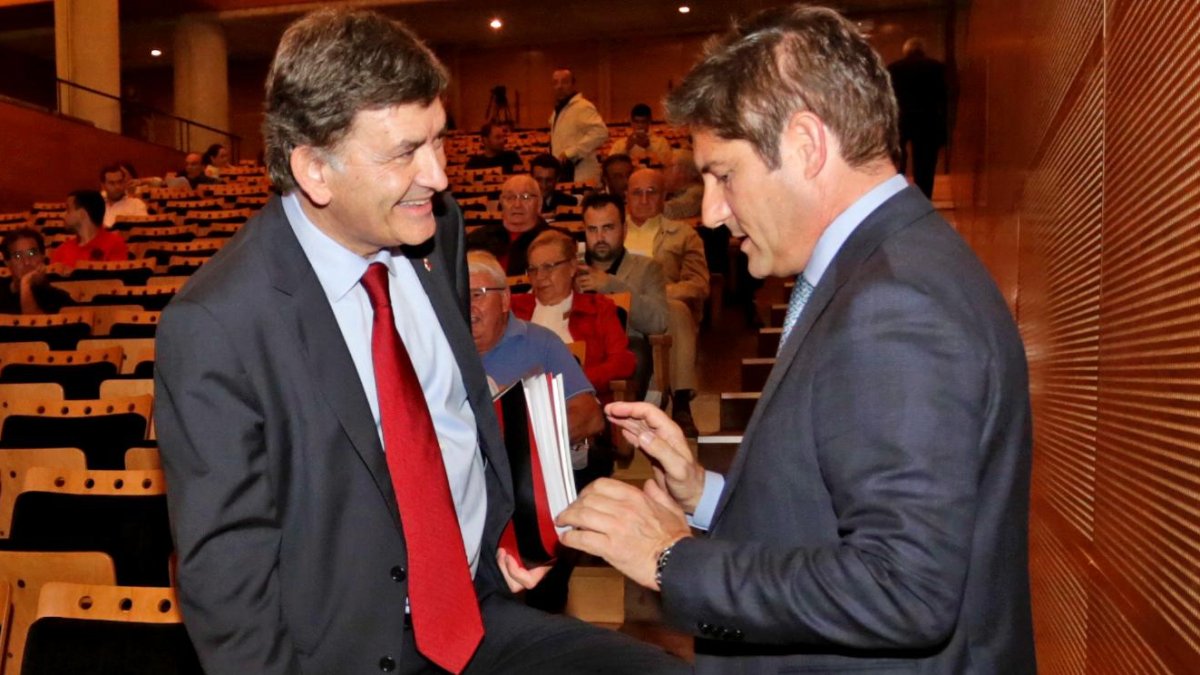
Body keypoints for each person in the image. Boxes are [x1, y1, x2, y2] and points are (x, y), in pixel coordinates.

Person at [154, 9, 684, 675]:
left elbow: (451, 411)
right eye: (406, 151)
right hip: (347, 655)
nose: (438, 176)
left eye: (438, 141)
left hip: (476, 612)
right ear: (315, 170)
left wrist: (504, 526)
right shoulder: (217, 325)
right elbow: (227, 582)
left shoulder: (436, 228)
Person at [554, 6, 1035, 674]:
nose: (714, 212)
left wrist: (673, 558)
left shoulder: (895, 303)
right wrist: (706, 495)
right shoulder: (886, 269)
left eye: (724, 174)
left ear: (807, 145)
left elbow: (905, 589)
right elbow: (839, 517)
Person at [625, 167, 708, 437]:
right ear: (626, 196)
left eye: (652, 192)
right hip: (618, 306)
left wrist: (660, 295)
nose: (644, 199)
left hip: (665, 306)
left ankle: (681, 401)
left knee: (677, 309)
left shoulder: (684, 234)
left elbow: (698, 285)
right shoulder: (612, 230)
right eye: (637, 192)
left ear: (664, 197)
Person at [510, 229, 635, 404]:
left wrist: (575, 380)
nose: (540, 277)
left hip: (580, 402)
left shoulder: (599, 308)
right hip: (525, 403)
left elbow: (622, 361)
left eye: (548, 267)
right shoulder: (513, 310)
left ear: (571, 267)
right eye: (533, 269)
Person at [578, 192, 669, 400]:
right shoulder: (570, 269)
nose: (600, 238)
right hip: (581, 352)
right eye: (592, 229)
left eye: (608, 228)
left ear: (624, 229)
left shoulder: (648, 268)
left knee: (634, 353)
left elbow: (659, 322)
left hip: (625, 352)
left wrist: (612, 285)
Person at [888, 37, 948, 199]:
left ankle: (898, 195)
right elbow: (944, 98)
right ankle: (923, 198)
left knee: (898, 162)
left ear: (906, 51)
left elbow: (888, 99)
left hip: (901, 120)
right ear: (923, 50)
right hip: (928, 121)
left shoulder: (894, 69)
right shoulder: (937, 68)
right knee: (925, 165)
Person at [464, 174, 555, 276]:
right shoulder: (479, 238)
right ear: (501, 202)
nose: (517, 205)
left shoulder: (553, 240)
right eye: (510, 197)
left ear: (539, 203)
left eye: (525, 197)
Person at [549, 68, 609, 184]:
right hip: (564, 172)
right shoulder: (557, 110)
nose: (559, 86)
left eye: (564, 82)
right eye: (555, 83)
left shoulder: (582, 107)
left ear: (573, 84)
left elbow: (601, 133)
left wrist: (570, 152)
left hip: (581, 174)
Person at [0, 227, 72, 314]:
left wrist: (25, 284)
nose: (26, 262)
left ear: (43, 256)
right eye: (18, 256)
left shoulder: (57, 298)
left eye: (32, 253)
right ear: (7, 262)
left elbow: (33, 325)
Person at [50, 190, 128, 267]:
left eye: (68, 210)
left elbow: (115, 278)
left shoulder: (114, 244)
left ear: (82, 214)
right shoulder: (62, 251)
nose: (64, 214)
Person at [609, 103, 673, 167]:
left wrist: (649, 147)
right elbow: (611, 165)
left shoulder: (661, 142)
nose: (640, 126)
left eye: (643, 122)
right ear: (631, 122)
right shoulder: (620, 144)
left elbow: (667, 163)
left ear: (649, 121)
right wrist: (626, 148)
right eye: (636, 122)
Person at [100, 163, 148, 228]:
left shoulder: (136, 204)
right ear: (103, 186)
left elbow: (142, 231)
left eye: (120, 182)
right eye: (112, 183)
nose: (117, 187)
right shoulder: (96, 206)